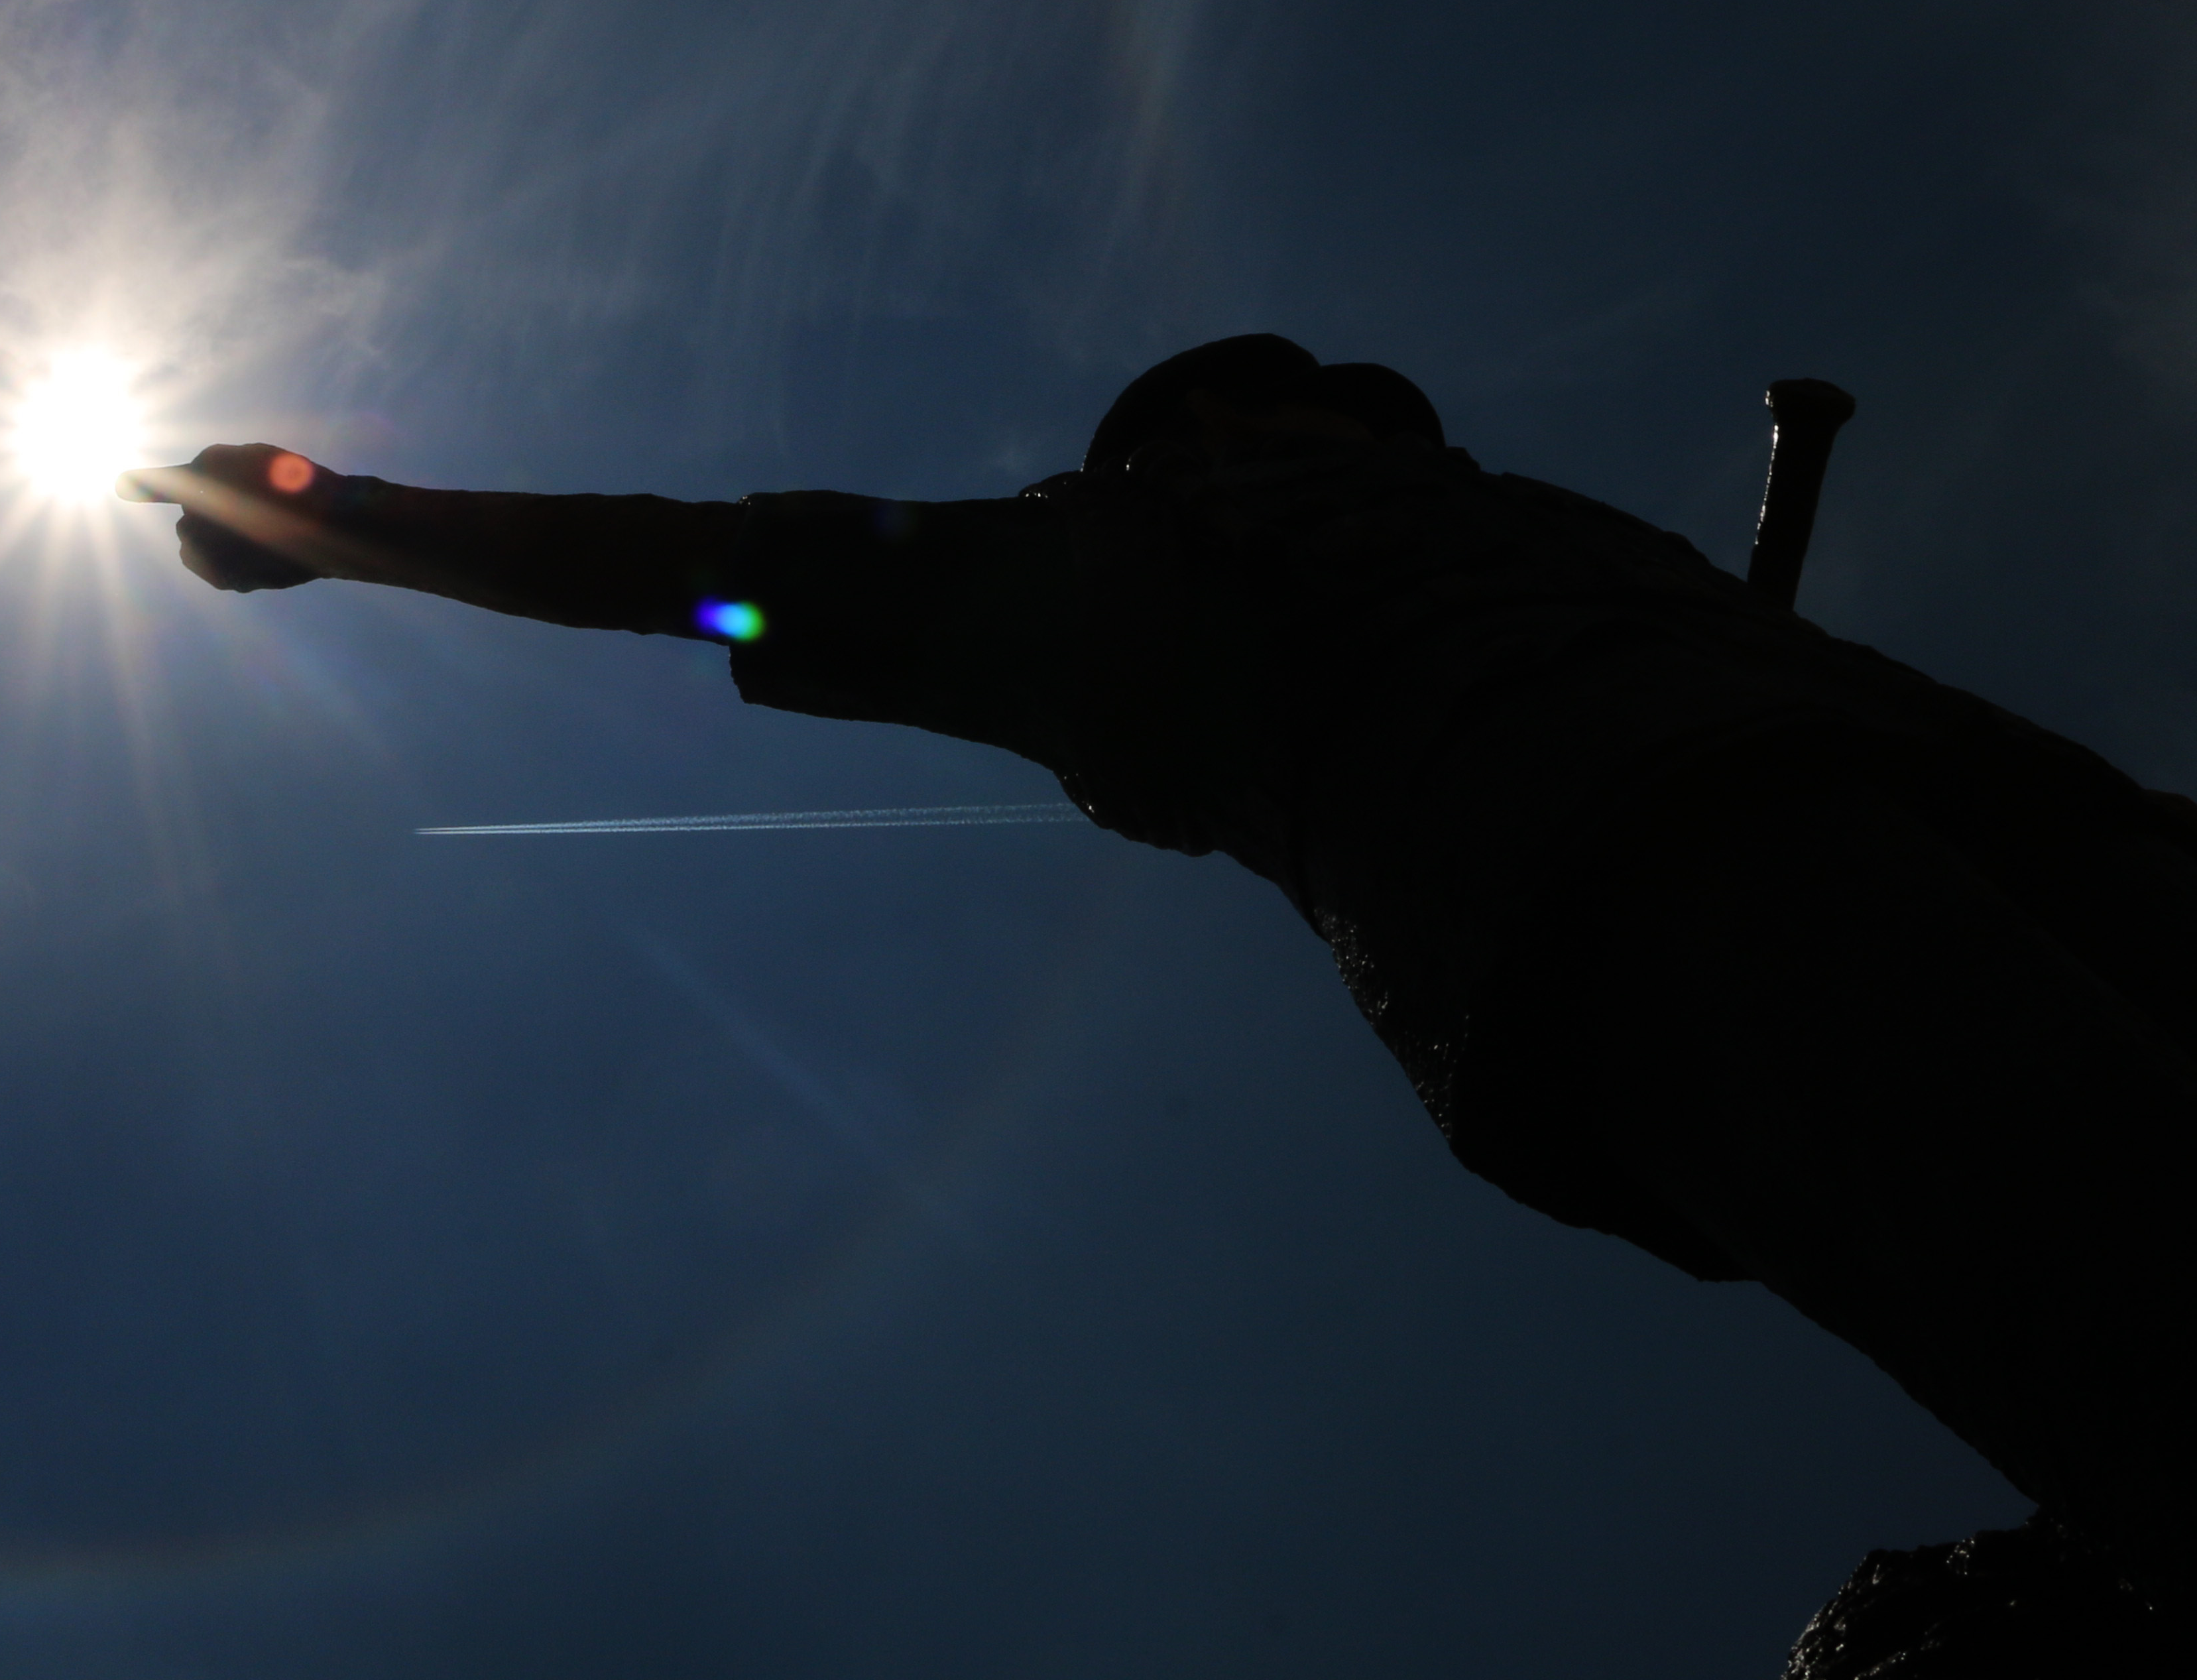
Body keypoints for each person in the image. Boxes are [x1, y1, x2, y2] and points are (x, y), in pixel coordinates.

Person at [119, 334, 2197, 1628]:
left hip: (1998, 806)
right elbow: (696, 554)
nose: (1335, 426)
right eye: (1272, 403)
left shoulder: (1548, 530)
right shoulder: (1127, 570)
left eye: (1349, 408)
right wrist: (338, 518)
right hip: (1646, 880)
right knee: (2126, 1254)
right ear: (1183, 446)